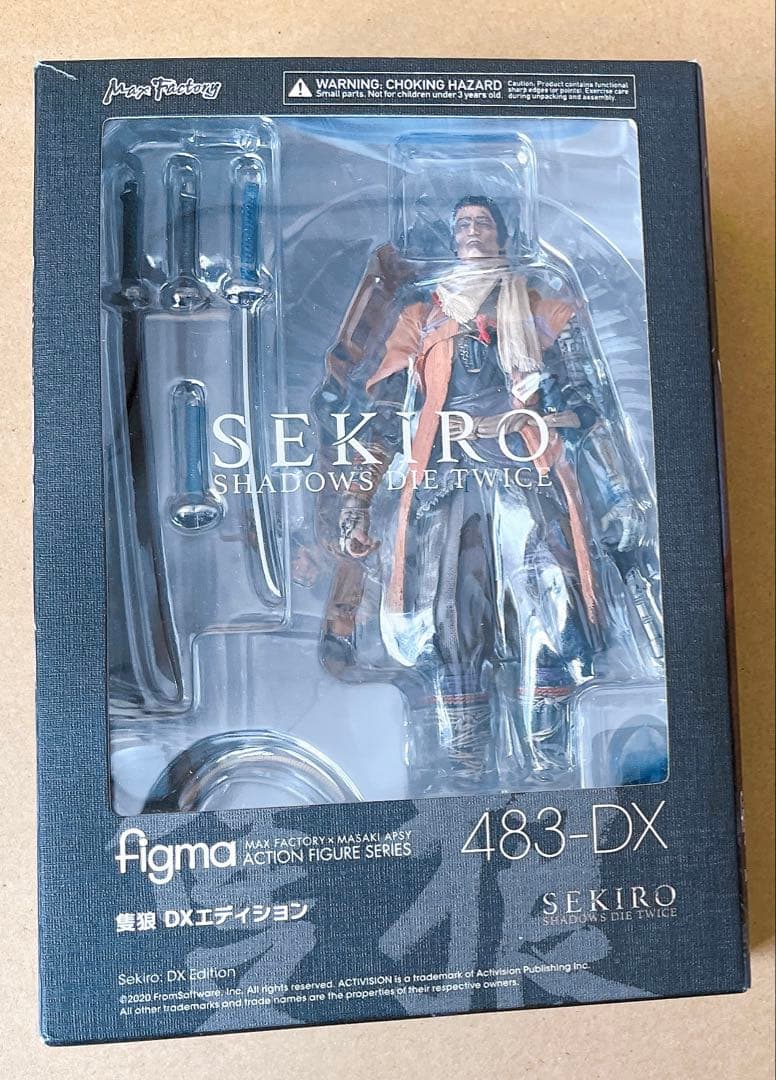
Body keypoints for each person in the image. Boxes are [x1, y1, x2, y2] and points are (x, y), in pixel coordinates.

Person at [329, 194, 646, 791]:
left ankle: (550, 758)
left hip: (527, 473)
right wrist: (357, 502)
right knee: (451, 620)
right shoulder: (421, 317)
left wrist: (617, 488)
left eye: (482, 223)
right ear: (452, 239)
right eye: (462, 224)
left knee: (549, 606)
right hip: (448, 481)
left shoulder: (541, 308)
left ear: (502, 234)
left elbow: (588, 406)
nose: (471, 232)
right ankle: (465, 762)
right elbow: (383, 419)